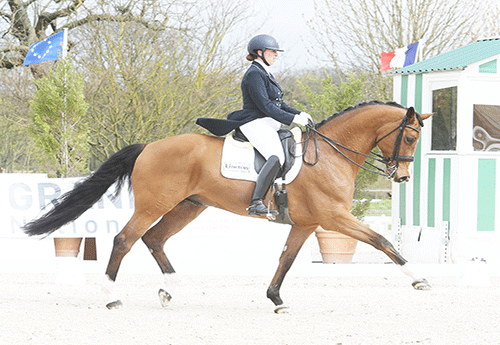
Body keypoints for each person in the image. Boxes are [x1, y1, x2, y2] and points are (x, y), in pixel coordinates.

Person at [196, 34, 312, 216]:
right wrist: (291, 120)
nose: (276, 55)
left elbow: (278, 104)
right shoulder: (254, 74)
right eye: (272, 51)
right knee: (276, 156)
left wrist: (298, 113)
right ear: (260, 52)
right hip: (254, 123)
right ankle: (256, 202)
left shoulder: (265, 73)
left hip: (266, 123)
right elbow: (265, 106)